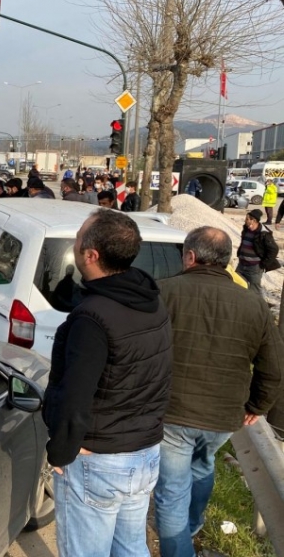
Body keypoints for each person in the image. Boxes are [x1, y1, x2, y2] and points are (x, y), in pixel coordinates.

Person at [43, 209, 172, 557]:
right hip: (144, 454)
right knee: (131, 548)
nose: (75, 243)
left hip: (100, 461)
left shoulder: (93, 317)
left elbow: (76, 396)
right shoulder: (152, 301)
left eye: (78, 238)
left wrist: (61, 450)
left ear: (90, 255)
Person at [155, 227, 283, 557]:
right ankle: (193, 525)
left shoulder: (163, 292)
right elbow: (273, 367)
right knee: (202, 466)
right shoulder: (253, 304)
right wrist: (258, 405)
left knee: (171, 492)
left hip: (172, 412)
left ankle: (180, 546)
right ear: (227, 260)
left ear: (191, 256)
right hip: (225, 416)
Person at [236, 209, 279, 296]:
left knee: (255, 291)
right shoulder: (246, 229)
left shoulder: (263, 234)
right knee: (237, 285)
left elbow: (274, 249)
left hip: (254, 268)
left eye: (247, 219)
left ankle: (260, 308)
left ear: (254, 220)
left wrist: (263, 264)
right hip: (241, 265)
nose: (245, 220)